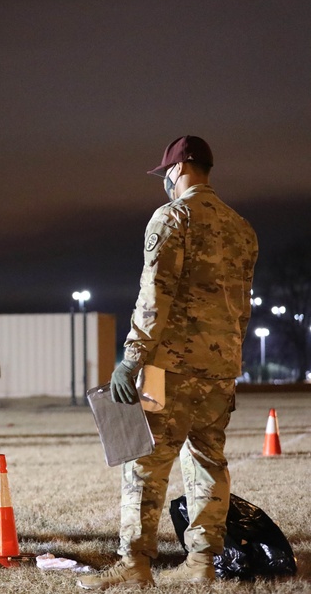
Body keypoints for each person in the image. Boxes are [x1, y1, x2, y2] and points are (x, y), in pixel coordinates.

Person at [76, 136, 258, 590]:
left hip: (167, 368)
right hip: (220, 371)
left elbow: (154, 298)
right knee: (209, 462)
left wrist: (130, 361)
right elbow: (243, 308)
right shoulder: (242, 229)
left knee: (143, 462)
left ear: (177, 170)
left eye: (166, 175)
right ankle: (202, 562)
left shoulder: (172, 218)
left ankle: (135, 564)